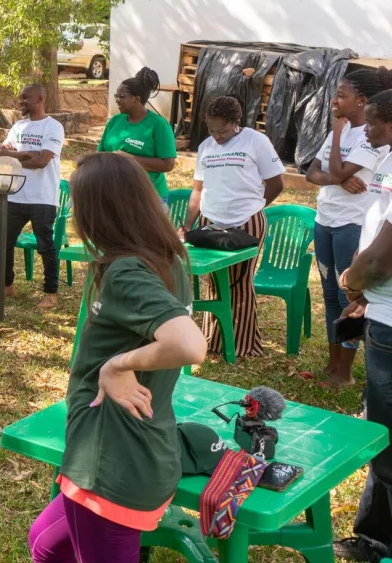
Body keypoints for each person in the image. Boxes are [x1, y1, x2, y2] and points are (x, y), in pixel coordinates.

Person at [29, 151, 206, 563]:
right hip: (134, 450)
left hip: (112, 464)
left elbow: (189, 344)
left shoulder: (128, 270)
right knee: (47, 544)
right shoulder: (165, 256)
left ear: (99, 210)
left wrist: (116, 364)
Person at [305, 69, 392, 386]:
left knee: (349, 298)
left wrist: (337, 135)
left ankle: (345, 372)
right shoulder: (339, 133)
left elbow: (338, 167)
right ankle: (333, 364)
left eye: (341, 95)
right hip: (324, 219)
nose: (334, 101)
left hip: (349, 224)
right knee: (329, 296)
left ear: (362, 100)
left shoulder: (371, 140)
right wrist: (337, 178)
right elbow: (311, 173)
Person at [335, 89, 392, 563]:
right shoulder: (388, 161)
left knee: (385, 432)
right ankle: (373, 533)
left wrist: (355, 282)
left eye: (372, 122)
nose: (366, 130)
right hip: (381, 307)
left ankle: (381, 544)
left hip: (390, 323)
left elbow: (381, 254)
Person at [180, 96, 284, 358]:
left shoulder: (255, 141)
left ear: (235, 123)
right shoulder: (206, 147)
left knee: (239, 281)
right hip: (210, 222)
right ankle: (214, 340)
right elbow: (198, 190)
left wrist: (254, 207)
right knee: (215, 282)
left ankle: (243, 345)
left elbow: (276, 183)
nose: (216, 136)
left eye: (222, 130)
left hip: (246, 222)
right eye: (211, 129)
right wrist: (188, 225)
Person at [0, 83, 66, 309]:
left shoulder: (53, 127)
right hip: (16, 195)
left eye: (25, 97)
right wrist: (26, 153)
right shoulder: (18, 126)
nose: (21, 101)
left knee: (45, 246)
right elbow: (2, 154)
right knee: (5, 242)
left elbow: (42, 161)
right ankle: (7, 286)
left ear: (39, 98)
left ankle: (50, 294)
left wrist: (17, 156)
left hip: (42, 198)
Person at [98, 67, 177, 202]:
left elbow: (168, 164)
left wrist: (130, 159)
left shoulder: (158, 125)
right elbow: (100, 154)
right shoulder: (115, 121)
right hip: (115, 193)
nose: (117, 100)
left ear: (136, 99)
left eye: (122, 97)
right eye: (116, 96)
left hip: (148, 197)